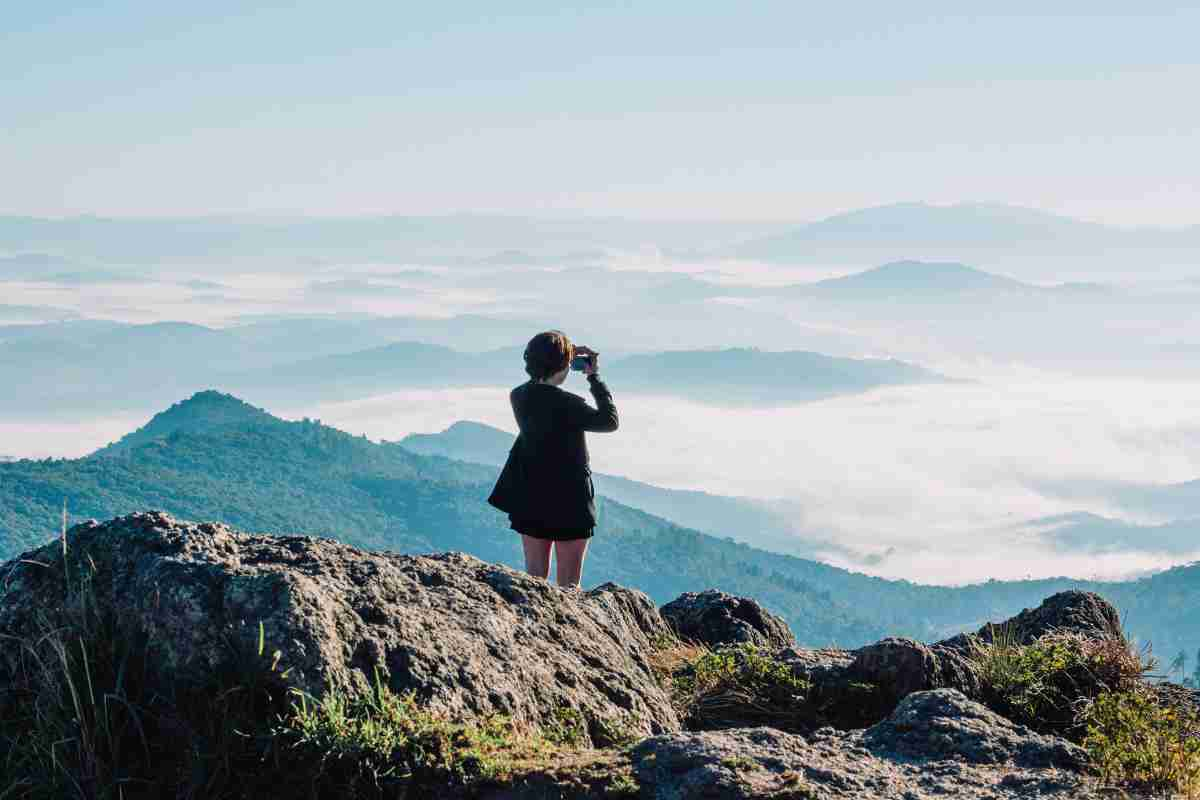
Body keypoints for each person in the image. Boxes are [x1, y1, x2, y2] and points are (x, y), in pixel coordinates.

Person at [486, 330, 618, 588]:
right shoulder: (569, 404)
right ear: (564, 364)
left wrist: (562, 355)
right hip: (570, 499)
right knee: (569, 588)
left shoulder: (519, 395)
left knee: (534, 582)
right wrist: (594, 377)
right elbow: (609, 421)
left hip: (530, 494)